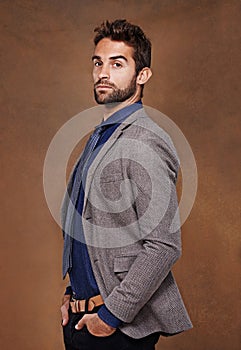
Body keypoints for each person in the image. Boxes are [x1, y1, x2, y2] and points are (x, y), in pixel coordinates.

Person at [60, 19, 192, 350]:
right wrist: (71, 295)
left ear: (142, 75)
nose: (103, 72)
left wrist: (111, 316)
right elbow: (87, 230)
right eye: (98, 62)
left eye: (118, 64)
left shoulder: (144, 140)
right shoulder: (98, 138)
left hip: (117, 328)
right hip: (80, 318)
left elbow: (164, 245)